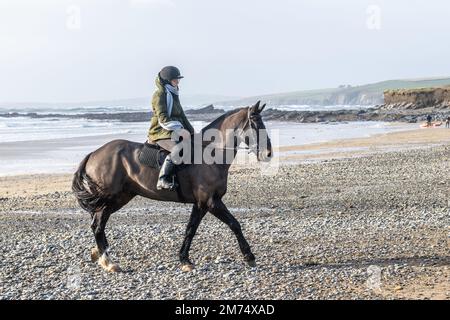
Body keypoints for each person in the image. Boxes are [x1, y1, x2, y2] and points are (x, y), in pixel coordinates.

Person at [147, 66, 195, 190]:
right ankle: (163, 179)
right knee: (179, 148)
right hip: (160, 131)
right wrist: (180, 129)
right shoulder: (159, 94)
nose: (178, 81)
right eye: (175, 79)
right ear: (168, 80)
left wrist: (191, 131)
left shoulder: (174, 93)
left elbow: (182, 116)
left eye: (178, 79)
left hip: (173, 130)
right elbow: (163, 119)